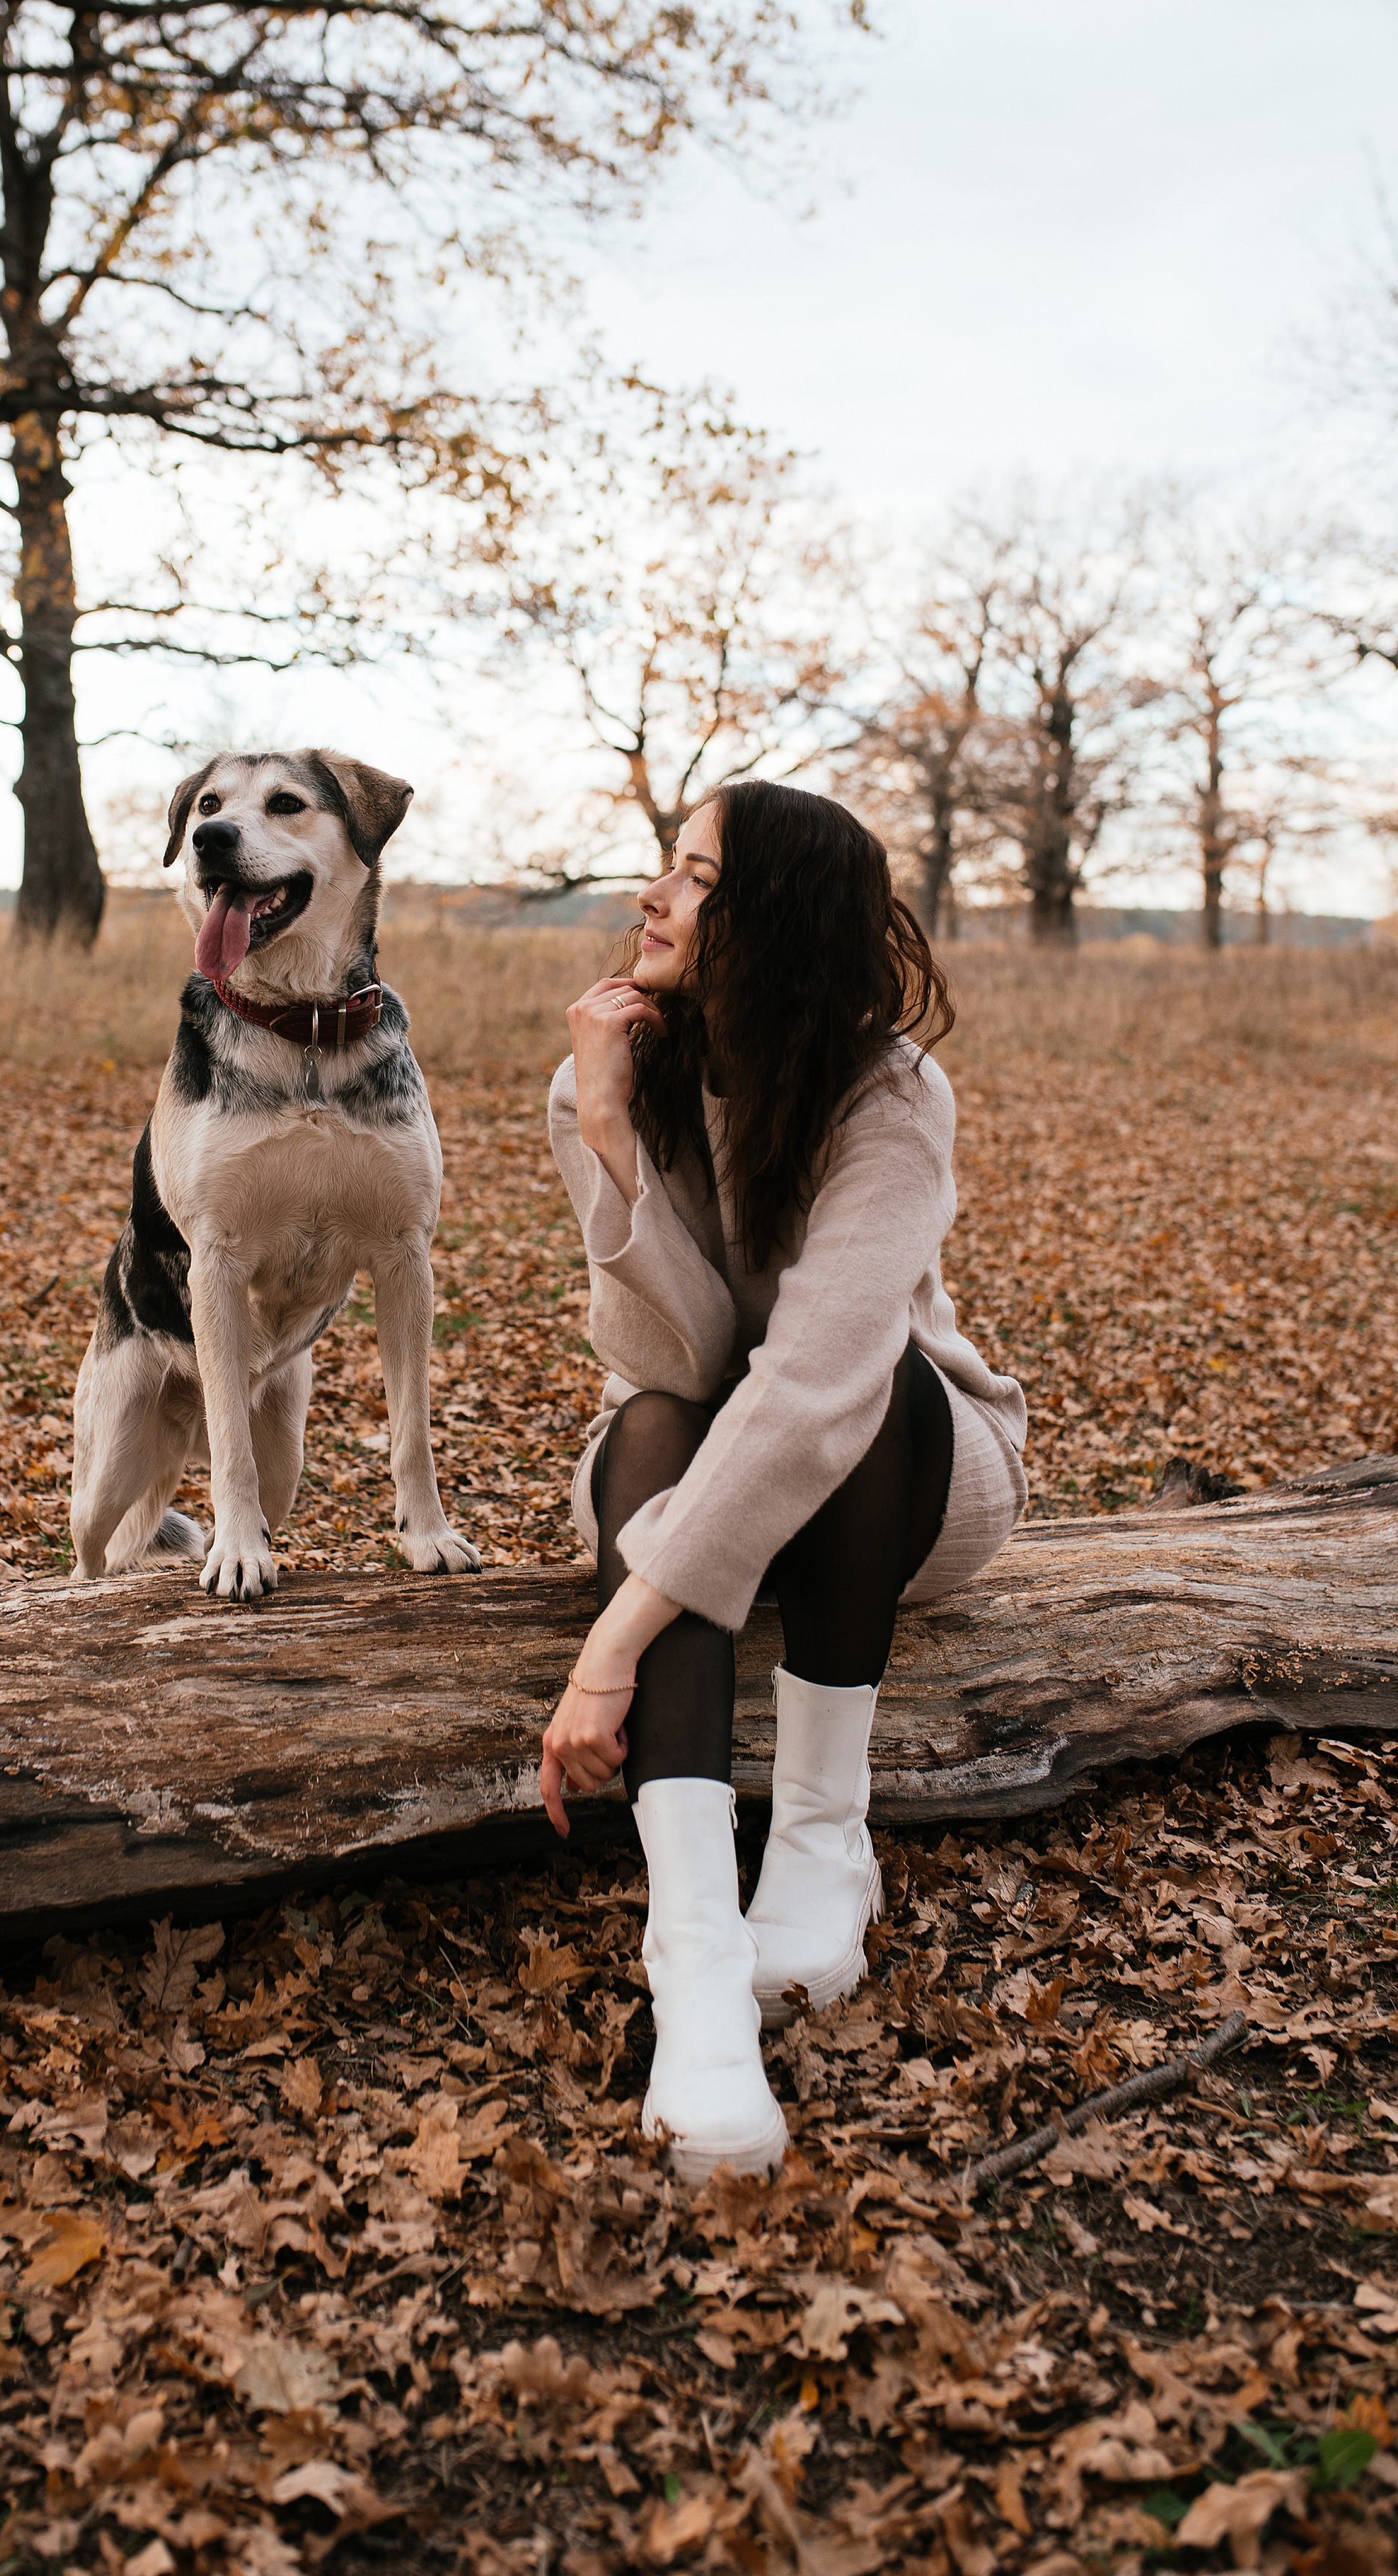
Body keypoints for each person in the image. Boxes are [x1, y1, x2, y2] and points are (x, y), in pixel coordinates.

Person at [539, 780, 1028, 2183]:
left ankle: (823, 1840)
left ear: (770, 921)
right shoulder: (612, 1070)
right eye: (667, 870)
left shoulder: (890, 1095)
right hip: (703, 1460)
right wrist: (616, 1136)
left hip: (902, 1486)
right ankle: (695, 1974)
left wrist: (612, 1644)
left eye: (691, 878)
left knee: (858, 1391)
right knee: (649, 1429)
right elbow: (679, 1361)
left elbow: (815, 1386)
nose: (652, 898)